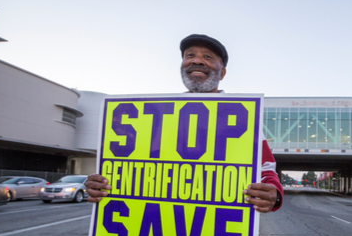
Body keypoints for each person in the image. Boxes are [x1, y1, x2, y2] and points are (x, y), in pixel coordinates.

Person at [86, 34, 283, 213]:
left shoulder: (243, 116)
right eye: (190, 56)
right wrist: (102, 183)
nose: (197, 60)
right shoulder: (155, 114)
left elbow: (265, 168)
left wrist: (273, 193)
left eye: (207, 57)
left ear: (222, 73)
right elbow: (130, 167)